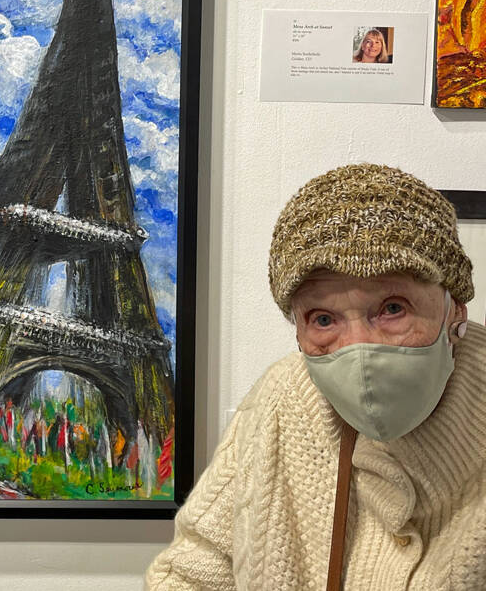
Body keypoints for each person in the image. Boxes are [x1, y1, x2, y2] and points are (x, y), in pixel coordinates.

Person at [146, 163, 486, 590]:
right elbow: (189, 572)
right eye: (323, 319)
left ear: (455, 307)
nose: (358, 350)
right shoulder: (278, 401)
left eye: (393, 308)